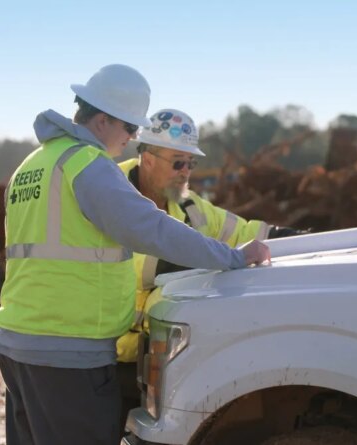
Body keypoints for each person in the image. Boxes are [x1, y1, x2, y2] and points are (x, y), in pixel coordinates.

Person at [0, 64, 270, 445]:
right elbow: (153, 228)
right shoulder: (87, 165)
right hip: (67, 349)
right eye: (129, 128)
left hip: (18, 342)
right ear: (103, 119)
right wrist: (234, 258)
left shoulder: (33, 164)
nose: (130, 139)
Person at [114, 108, 303, 425]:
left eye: (191, 163)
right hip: (110, 355)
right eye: (178, 162)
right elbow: (137, 264)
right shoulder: (111, 192)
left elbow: (242, 232)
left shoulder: (187, 205)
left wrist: (299, 239)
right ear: (148, 158)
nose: (185, 172)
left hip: (160, 355)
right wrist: (213, 256)